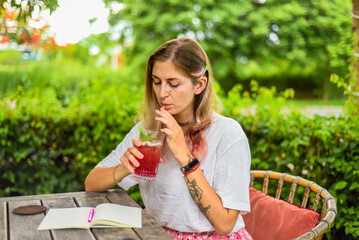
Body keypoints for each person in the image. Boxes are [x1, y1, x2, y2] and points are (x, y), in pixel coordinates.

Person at [85, 37, 252, 240]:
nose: (162, 93)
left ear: (199, 85)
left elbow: (225, 224)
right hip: (156, 235)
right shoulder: (148, 131)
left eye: (173, 84)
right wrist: (124, 168)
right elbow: (91, 184)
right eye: (157, 82)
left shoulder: (227, 133)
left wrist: (184, 156)